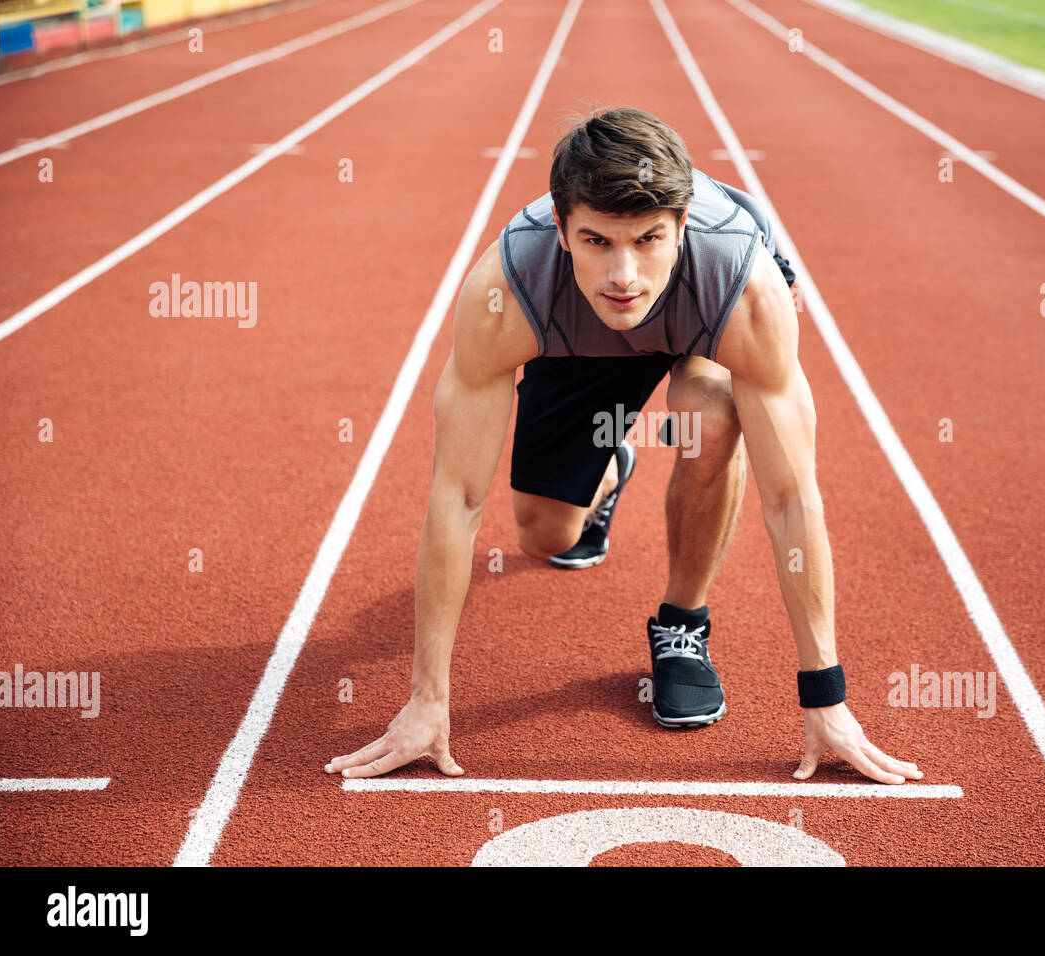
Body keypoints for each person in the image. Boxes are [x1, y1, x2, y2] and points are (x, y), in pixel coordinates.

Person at [326, 106, 922, 786]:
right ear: (561, 229)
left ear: (682, 226)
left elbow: (791, 500)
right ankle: (610, 470)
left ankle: (682, 622)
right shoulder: (507, 291)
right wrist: (426, 701)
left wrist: (828, 701)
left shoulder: (745, 287)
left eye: (647, 239)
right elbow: (458, 498)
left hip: (700, 318)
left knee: (709, 413)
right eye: (598, 240)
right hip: (579, 334)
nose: (625, 274)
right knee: (543, 536)